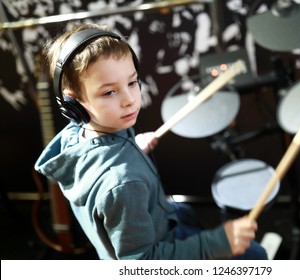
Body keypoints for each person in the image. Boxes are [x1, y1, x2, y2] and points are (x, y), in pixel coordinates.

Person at [34, 23, 267, 260]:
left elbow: (103, 164)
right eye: (108, 92)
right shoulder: (122, 184)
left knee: (184, 212)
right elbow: (142, 263)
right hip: (159, 246)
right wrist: (215, 244)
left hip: (156, 218)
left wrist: (133, 146)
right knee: (255, 255)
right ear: (73, 104)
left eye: (132, 82)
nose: (130, 100)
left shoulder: (79, 133)